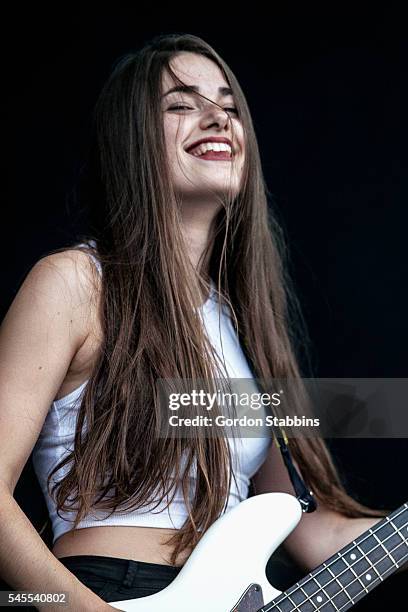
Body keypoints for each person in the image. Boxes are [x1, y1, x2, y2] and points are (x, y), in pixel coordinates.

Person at [0, 33, 385, 611]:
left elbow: (317, 532)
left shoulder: (244, 326)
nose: (217, 119)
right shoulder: (75, 283)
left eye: (230, 108)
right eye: (182, 104)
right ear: (129, 141)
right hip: (103, 592)